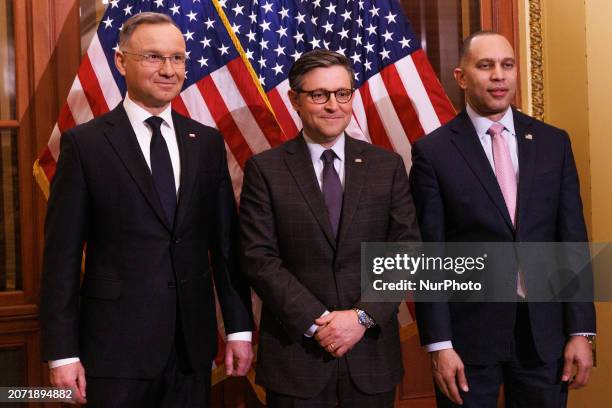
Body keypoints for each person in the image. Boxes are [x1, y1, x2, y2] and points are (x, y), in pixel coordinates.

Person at [40, 12, 253, 407]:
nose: (168, 70)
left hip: (192, 347)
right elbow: (61, 260)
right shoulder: (85, 146)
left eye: (177, 58)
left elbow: (226, 247)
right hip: (113, 350)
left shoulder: (205, 143)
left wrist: (239, 329)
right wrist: (63, 353)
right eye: (154, 57)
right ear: (121, 62)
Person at [409, 31, 596, 407]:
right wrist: (439, 344)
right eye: (486, 65)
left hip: (544, 337)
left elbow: (571, 241)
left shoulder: (553, 143)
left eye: (507, 65)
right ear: (461, 77)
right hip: (468, 341)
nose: (499, 75)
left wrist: (581, 330)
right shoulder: (433, 152)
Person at [239, 49, 421, 407]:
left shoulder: (386, 166)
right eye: (319, 95)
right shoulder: (266, 169)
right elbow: (258, 257)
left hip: (370, 356)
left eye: (342, 94)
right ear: (295, 99)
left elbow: (407, 250)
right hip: (297, 356)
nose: (333, 105)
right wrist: (319, 321)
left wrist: (361, 317)